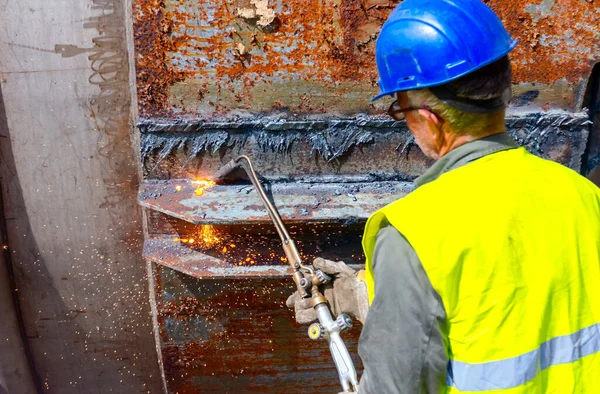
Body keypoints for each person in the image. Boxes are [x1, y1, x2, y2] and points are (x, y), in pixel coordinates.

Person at [286, 0, 600, 392]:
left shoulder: (414, 234)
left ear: (429, 119)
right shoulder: (583, 196)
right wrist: (368, 295)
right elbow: (516, 302)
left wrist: (401, 278)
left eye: (401, 111)